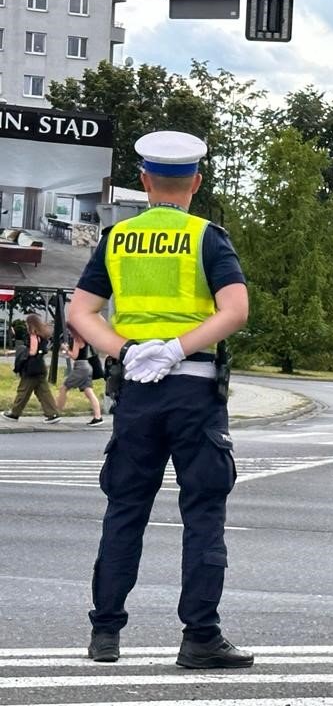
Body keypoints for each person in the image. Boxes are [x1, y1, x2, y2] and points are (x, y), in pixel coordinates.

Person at [67, 130, 251, 669]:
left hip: (137, 394)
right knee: (202, 514)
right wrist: (177, 348)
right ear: (196, 181)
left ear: (144, 181)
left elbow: (82, 312)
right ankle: (200, 637)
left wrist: (128, 351)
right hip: (194, 390)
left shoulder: (117, 239)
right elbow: (234, 311)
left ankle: (105, 634)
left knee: (125, 510)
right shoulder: (207, 238)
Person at [2, 313, 61, 424]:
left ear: (31, 324)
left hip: (31, 368)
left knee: (23, 391)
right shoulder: (42, 335)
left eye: (26, 323)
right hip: (40, 367)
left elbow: (32, 351)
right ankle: (53, 414)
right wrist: (13, 352)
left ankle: (14, 413)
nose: (25, 324)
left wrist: (20, 351)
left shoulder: (33, 335)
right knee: (44, 392)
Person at [55, 323, 104, 427]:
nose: (68, 333)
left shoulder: (77, 340)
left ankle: (56, 412)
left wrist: (66, 349)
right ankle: (98, 416)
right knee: (89, 392)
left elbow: (75, 356)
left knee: (64, 387)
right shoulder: (84, 339)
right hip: (87, 366)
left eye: (70, 331)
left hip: (80, 367)